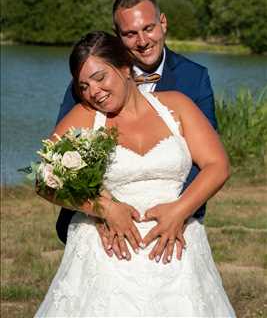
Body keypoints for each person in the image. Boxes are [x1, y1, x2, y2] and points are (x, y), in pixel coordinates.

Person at [35, 31, 235, 317]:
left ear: (125, 67)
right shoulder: (84, 116)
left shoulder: (176, 105)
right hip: (108, 251)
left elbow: (217, 165)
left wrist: (180, 211)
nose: (94, 91)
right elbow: (45, 180)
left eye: (100, 77)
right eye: (84, 86)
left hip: (176, 246)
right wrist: (104, 208)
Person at [56, 0, 217, 260]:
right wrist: (102, 208)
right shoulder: (90, 83)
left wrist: (177, 210)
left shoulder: (194, 78)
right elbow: (65, 161)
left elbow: (207, 158)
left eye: (149, 28)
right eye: (130, 34)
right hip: (103, 229)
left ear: (163, 23)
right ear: (118, 37)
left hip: (173, 221)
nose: (142, 41)